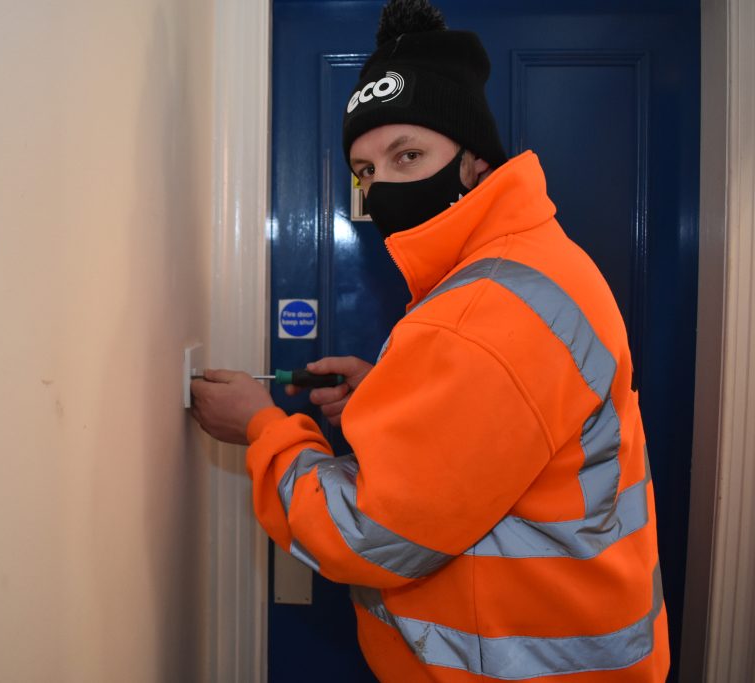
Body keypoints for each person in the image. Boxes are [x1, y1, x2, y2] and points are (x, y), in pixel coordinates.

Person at [190, 0, 669, 680]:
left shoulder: (478, 314)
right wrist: (386, 388)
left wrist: (263, 428)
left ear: (473, 160)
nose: (382, 185)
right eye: (365, 170)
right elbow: (492, 434)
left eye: (408, 154)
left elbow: (364, 533)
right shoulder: (533, 263)